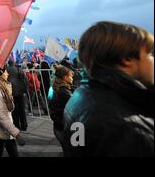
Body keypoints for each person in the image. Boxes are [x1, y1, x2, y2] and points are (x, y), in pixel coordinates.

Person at [63, 21, 154, 156]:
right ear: (126, 58)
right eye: (149, 54)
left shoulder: (83, 94)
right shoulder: (126, 127)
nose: (152, 59)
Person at [0, 65, 25, 157]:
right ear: (0, 74)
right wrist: (16, 133)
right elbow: (1, 114)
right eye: (5, 72)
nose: (7, 74)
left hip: (6, 128)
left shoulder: (2, 85)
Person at [48, 64, 73, 153]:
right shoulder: (65, 92)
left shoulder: (56, 86)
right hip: (64, 126)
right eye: (70, 76)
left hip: (58, 124)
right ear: (65, 77)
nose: (72, 78)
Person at [7, 60, 29, 131]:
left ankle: (16, 125)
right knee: (22, 109)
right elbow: (25, 80)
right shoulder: (19, 69)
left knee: (14, 110)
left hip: (11, 92)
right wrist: (25, 90)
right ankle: (24, 125)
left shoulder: (6, 70)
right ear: (14, 63)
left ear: (8, 63)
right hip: (20, 92)